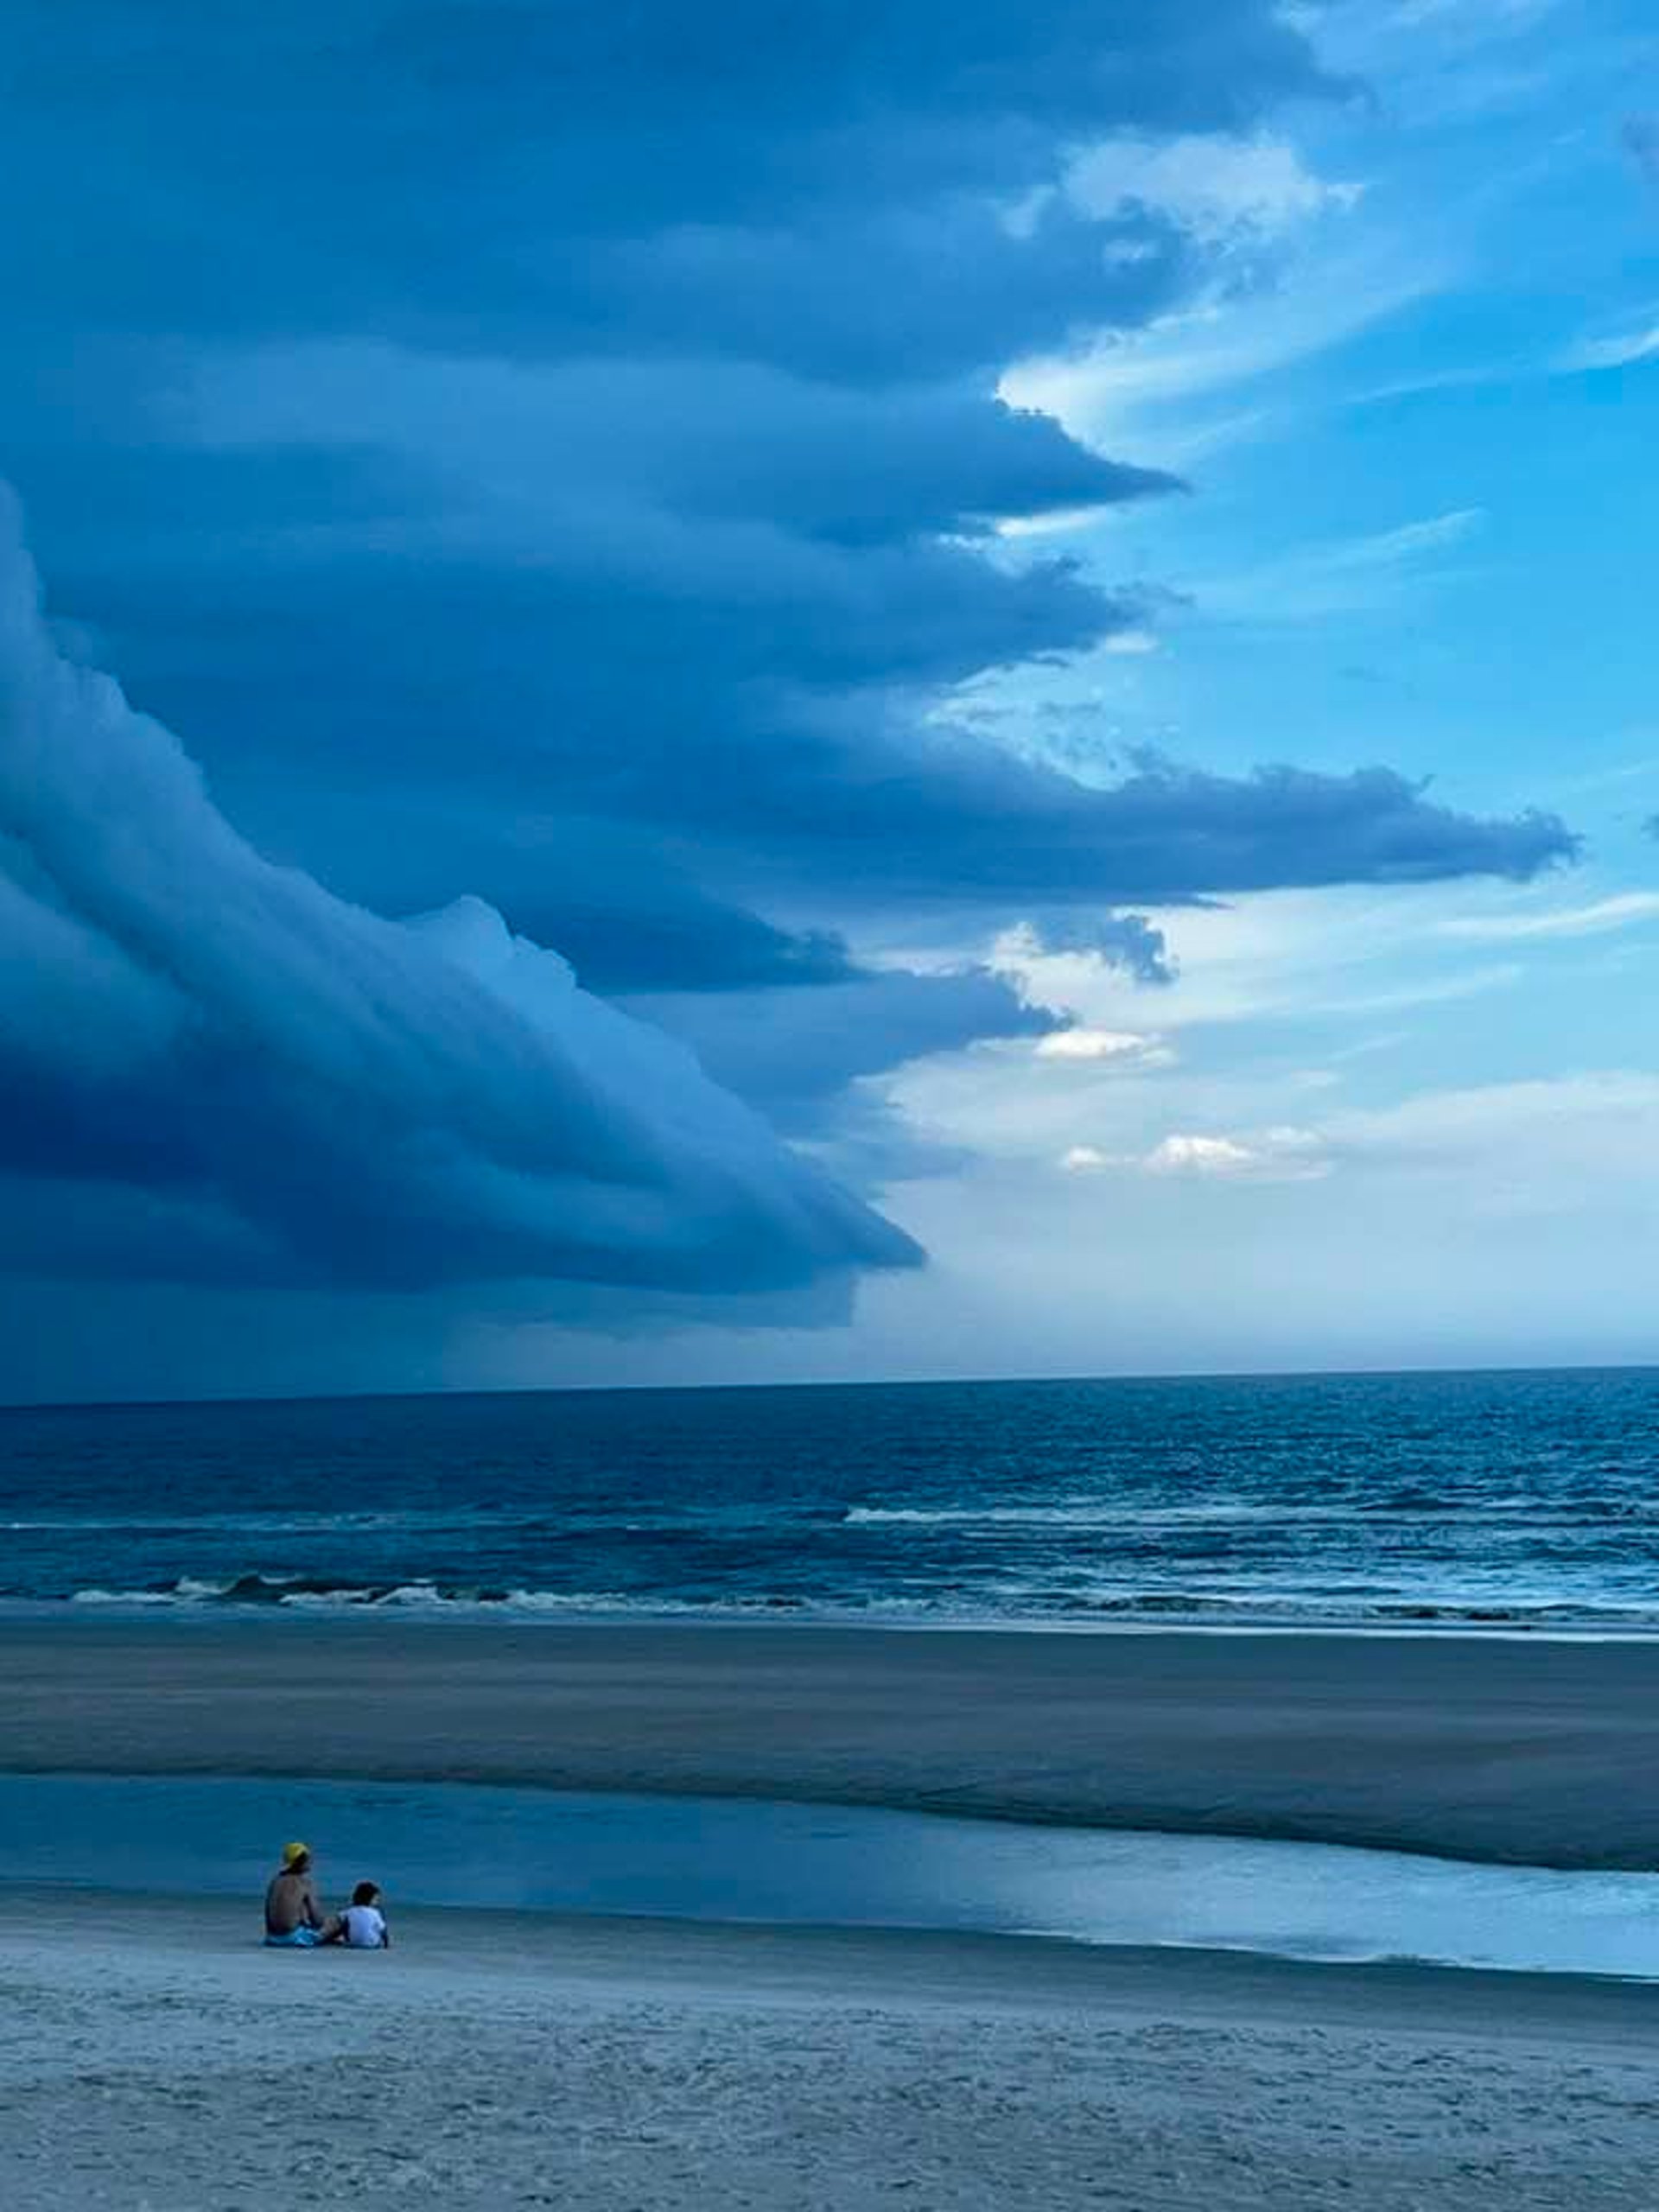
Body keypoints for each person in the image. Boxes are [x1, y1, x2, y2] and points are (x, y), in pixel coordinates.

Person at [263, 1840, 333, 1948]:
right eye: (309, 1858)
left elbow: (268, 1912)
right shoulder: (305, 1883)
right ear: (302, 1861)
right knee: (334, 1928)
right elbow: (317, 1920)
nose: (311, 1861)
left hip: (271, 1938)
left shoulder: (275, 1881)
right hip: (293, 1938)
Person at [338, 1879, 391, 1949]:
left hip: (353, 1944)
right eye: (376, 1900)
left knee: (346, 1921)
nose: (378, 1903)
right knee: (381, 1921)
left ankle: (350, 1939)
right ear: (369, 1899)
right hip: (372, 1944)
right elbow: (383, 1931)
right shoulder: (375, 1912)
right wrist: (386, 1944)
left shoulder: (350, 1911)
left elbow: (342, 1923)